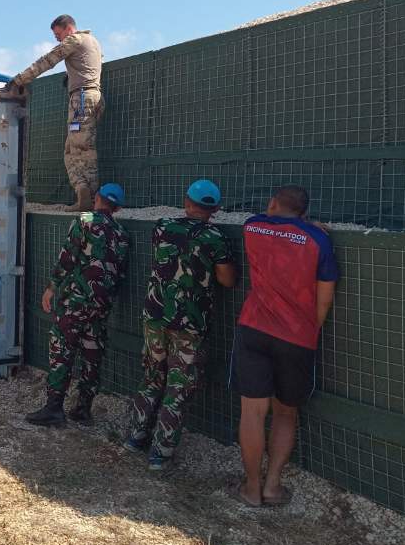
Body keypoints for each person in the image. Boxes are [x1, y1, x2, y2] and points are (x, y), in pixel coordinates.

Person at [230, 185, 338, 507]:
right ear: (304, 212)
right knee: (286, 413)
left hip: (254, 329)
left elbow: (267, 221)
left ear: (273, 203)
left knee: (252, 411)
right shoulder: (319, 241)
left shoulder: (253, 226)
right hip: (297, 337)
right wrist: (308, 330)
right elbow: (324, 299)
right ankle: (273, 485)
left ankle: (251, 487)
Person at [124, 179, 237, 470]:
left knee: (152, 376)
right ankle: (160, 454)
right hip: (190, 324)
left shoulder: (163, 227)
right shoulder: (216, 237)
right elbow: (226, 279)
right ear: (216, 209)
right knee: (178, 386)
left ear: (187, 202)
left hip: (155, 316)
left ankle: (135, 437)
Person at [25, 183, 129, 426]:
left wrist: (51, 287)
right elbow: (120, 274)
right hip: (101, 305)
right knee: (92, 354)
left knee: (62, 351)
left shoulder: (85, 220)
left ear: (97, 199)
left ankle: (54, 408)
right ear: (118, 207)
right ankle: (83, 408)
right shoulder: (122, 234)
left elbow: (68, 257)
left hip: (75, 301)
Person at [6, 15, 104, 212]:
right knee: (71, 150)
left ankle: (91, 200)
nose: (57, 39)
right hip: (91, 96)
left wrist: (20, 79)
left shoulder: (74, 40)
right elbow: (86, 65)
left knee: (83, 149)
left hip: (82, 99)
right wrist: (71, 76)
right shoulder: (93, 42)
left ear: (68, 29)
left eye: (58, 34)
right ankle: (84, 191)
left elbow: (48, 60)